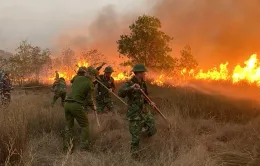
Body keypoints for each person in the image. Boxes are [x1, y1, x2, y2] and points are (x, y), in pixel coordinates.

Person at [118, 64, 157, 157]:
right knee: (135, 138)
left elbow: (145, 97)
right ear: (138, 73)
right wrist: (131, 87)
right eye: (144, 73)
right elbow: (120, 93)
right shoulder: (129, 83)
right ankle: (134, 157)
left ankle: (143, 137)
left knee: (152, 128)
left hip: (144, 112)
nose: (145, 74)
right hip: (134, 114)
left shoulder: (143, 83)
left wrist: (150, 102)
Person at [63, 66, 98, 152]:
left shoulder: (77, 78)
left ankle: (67, 149)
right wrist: (93, 106)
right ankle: (84, 148)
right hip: (76, 105)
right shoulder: (90, 84)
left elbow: (73, 80)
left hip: (67, 104)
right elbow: (89, 99)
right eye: (95, 76)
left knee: (69, 127)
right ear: (93, 76)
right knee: (85, 125)